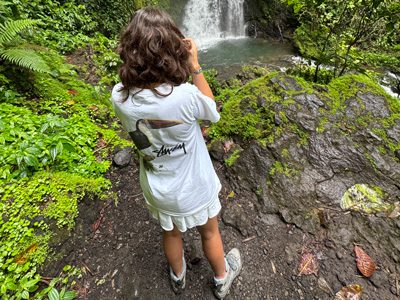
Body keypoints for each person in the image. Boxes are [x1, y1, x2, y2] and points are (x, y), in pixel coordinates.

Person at [111, 7, 242, 299]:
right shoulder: (184, 97)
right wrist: (195, 66)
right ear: (172, 50)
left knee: (170, 232)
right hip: (195, 185)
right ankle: (222, 278)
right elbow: (212, 113)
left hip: (158, 186)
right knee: (209, 232)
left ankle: (178, 275)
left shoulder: (119, 95)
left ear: (129, 50)